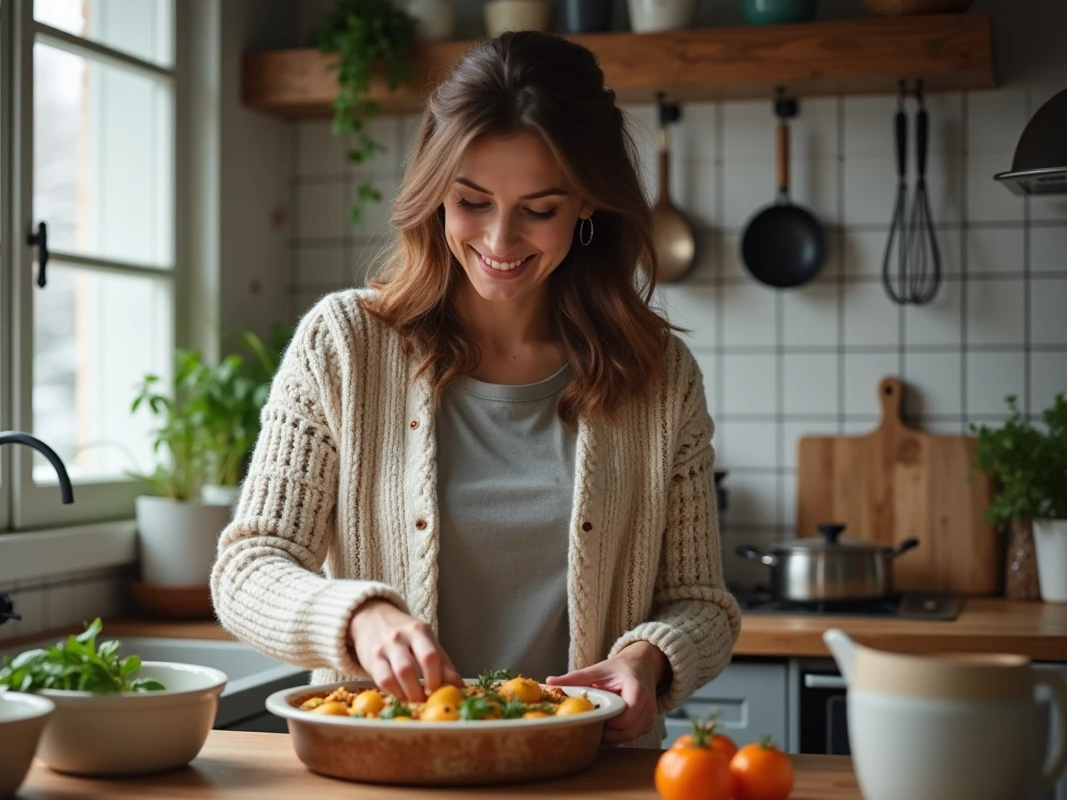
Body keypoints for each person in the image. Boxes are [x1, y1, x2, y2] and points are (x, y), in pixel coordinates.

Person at [210, 30, 740, 749]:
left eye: (539, 209)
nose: (499, 239)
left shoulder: (658, 375)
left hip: (589, 776)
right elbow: (247, 569)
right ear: (436, 192)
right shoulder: (343, 346)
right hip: (391, 772)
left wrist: (648, 657)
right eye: (472, 201)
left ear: (587, 202)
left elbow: (700, 603)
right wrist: (360, 616)